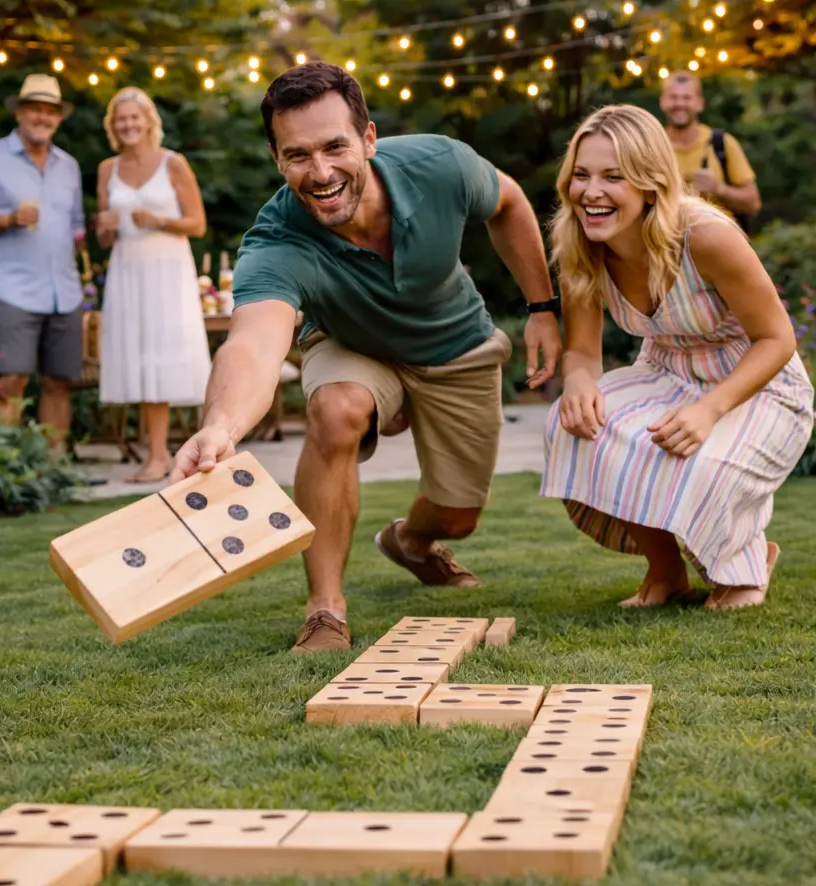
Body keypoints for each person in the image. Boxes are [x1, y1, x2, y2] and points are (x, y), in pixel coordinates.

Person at [169, 61, 562, 652]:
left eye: (334, 147)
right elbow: (253, 342)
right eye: (297, 155)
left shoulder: (440, 166)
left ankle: (411, 542)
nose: (320, 172)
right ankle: (325, 609)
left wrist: (542, 308)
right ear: (278, 160)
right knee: (335, 410)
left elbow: (507, 204)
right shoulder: (277, 241)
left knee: (458, 516)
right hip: (353, 344)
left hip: (455, 345)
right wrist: (220, 427)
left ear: (369, 138)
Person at [539, 104, 813, 610]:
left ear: (649, 182)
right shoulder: (578, 243)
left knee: (701, 460)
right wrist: (578, 383)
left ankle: (744, 568)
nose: (590, 192)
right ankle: (665, 572)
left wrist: (711, 409)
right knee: (577, 421)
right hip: (667, 371)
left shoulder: (705, 235)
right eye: (581, 175)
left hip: (759, 383)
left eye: (612, 177)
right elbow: (581, 350)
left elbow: (777, 339)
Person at [0, 74, 84, 443]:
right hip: (13, 289)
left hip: (65, 292)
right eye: (35, 109)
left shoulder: (68, 166)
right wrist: (8, 219)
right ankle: (6, 467)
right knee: (11, 381)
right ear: (20, 113)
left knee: (59, 382)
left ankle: (53, 471)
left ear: (59, 118)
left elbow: (75, 226)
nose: (42, 118)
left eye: (50, 111)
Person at [95, 87, 211, 483]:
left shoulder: (173, 163)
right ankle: (157, 456)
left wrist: (158, 219)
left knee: (164, 357)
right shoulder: (106, 170)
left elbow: (197, 224)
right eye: (120, 119)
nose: (128, 125)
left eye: (134, 117)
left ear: (148, 122)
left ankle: (173, 455)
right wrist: (103, 227)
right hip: (127, 269)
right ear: (113, 126)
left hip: (168, 269)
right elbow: (105, 238)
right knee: (139, 358)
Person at [660, 72, 761, 228]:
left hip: (722, 242)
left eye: (687, 98)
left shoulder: (721, 143)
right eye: (673, 97)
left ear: (700, 103)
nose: (679, 103)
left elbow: (753, 204)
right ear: (663, 102)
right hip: (669, 243)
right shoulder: (654, 147)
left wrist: (718, 189)